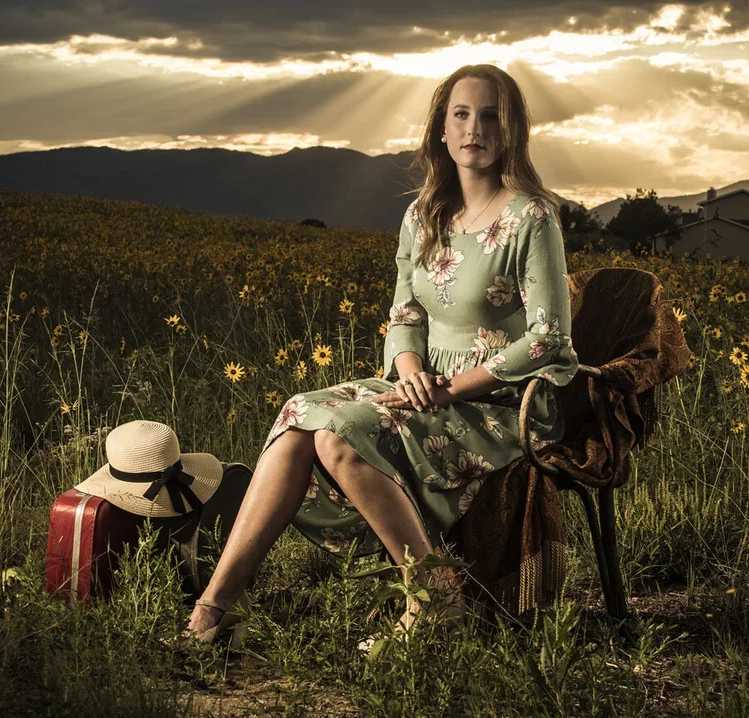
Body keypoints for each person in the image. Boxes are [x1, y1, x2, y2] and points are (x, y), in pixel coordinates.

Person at [184, 63, 579, 648]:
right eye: (461, 115)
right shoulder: (422, 216)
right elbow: (405, 315)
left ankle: (431, 599)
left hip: (500, 402)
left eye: (491, 115)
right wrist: (413, 370)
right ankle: (218, 603)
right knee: (299, 417)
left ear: (513, 130)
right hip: (424, 384)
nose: (475, 128)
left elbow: (548, 339)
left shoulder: (532, 217)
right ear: (441, 132)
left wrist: (449, 388)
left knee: (339, 435)